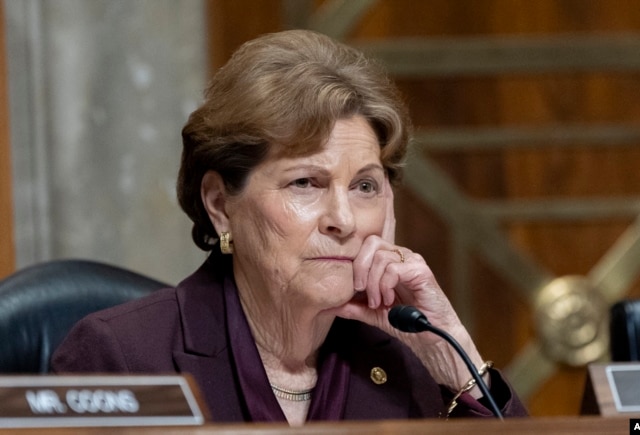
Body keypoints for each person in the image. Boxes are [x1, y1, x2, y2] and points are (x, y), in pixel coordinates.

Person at [51, 29, 527, 425]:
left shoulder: (408, 358)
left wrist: (451, 351)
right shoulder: (123, 356)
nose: (343, 220)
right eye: (305, 183)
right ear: (220, 204)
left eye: (365, 186)